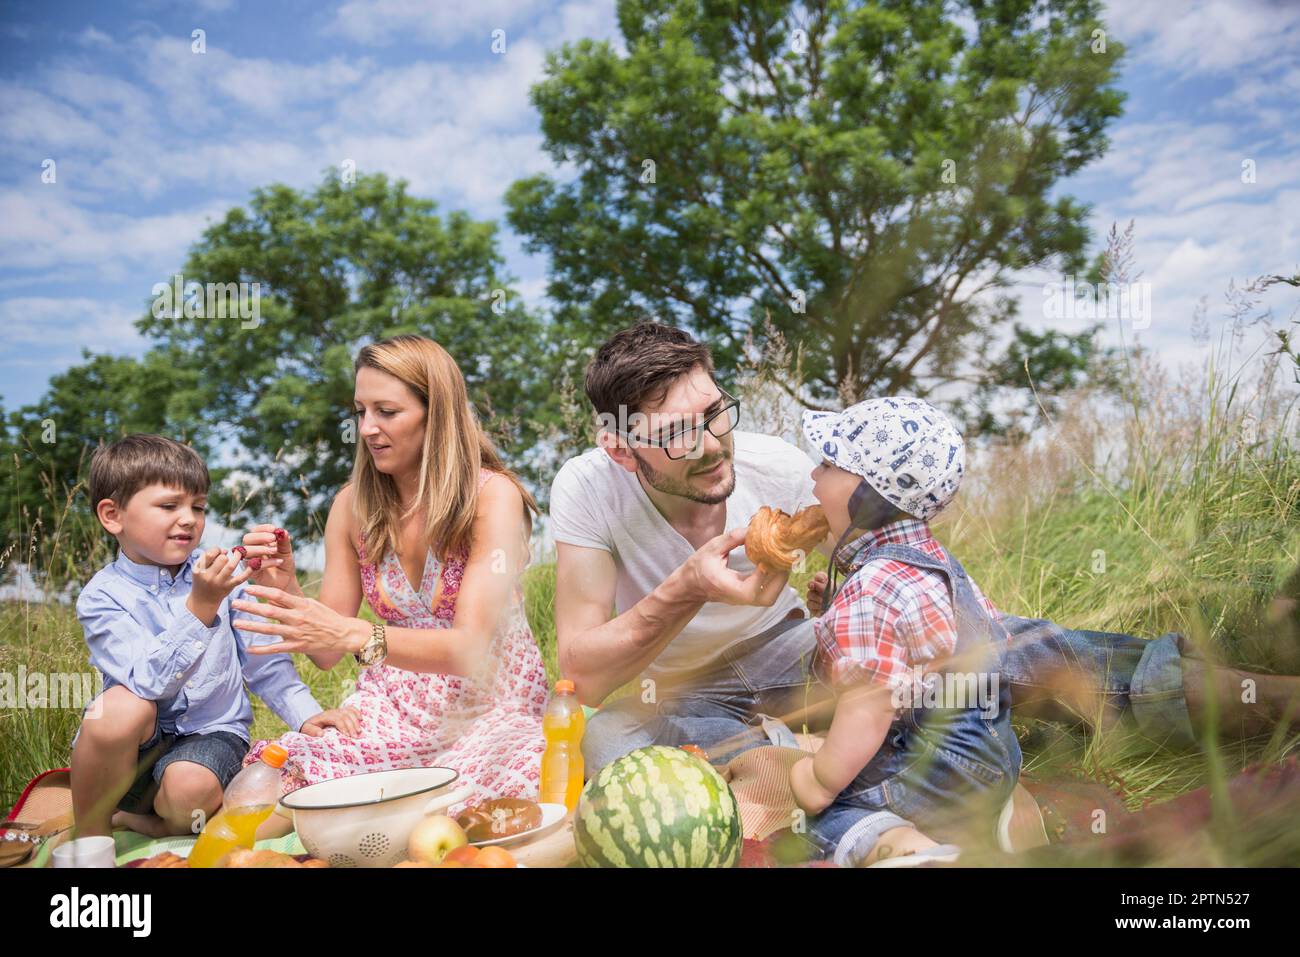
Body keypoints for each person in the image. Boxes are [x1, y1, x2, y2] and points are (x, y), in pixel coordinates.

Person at [552, 320, 1300, 779]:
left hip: (794, 650)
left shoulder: (777, 463)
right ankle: (819, 773)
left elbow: (888, 560)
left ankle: (1258, 701)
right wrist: (687, 586)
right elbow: (583, 673)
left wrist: (854, 600)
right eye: (681, 434)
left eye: (715, 413)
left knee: (1009, 650)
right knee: (613, 739)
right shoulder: (588, 490)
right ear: (623, 450)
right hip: (682, 696)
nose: (714, 446)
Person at [229, 335, 550, 832]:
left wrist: (357, 635)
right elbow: (327, 652)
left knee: (519, 780)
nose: (368, 429)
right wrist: (286, 585)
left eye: (386, 411)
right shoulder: (351, 506)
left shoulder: (493, 497)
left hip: (487, 708)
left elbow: (469, 650)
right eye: (360, 411)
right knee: (268, 786)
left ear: (435, 413)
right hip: (390, 708)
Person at [69, 435, 352, 839]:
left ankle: (155, 823)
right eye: (169, 506)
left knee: (190, 792)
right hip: (130, 758)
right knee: (120, 708)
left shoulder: (224, 578)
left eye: (198, 507)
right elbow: (146, 682)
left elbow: (265, 664)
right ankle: (90, 839)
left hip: (211, 736)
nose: (189, 519)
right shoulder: (102, 596)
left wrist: (306, 714)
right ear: (113, 515)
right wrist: (200, 609)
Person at [790, 397, 1019, 867]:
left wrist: (819, 784)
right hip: (993, 756)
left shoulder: (873, 588)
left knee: (826, 822)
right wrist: (838, 608)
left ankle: (919, 853)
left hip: (927, 771)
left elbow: (869, 705)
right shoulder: (935, 562)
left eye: (829, 464)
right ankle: (985, 816)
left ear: (868, 494)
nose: (814, 476)